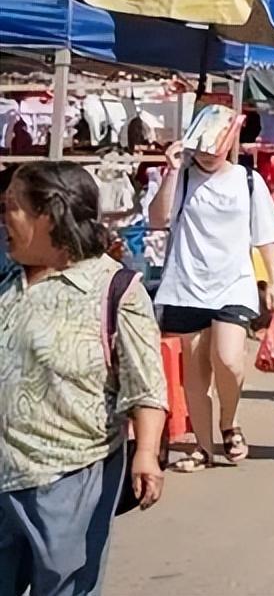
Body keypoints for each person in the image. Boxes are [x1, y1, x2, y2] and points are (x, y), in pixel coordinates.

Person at [1, 161, 168, 595]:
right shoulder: (7, 281)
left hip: (69, 476)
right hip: (2, 474)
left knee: (64, 588)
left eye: (12, 207)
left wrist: (146, 453)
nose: (4, 218)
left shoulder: (113, 289)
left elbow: (145, 384)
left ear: (49, 216)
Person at [149, 105, 274, 472]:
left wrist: (273, 281)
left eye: (215, 146)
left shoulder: (248, 180)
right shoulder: (184, 178)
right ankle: (204, 448)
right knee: (194, 373)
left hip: (234, 284)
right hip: (186, 283)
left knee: (228, 359)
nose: (208, 154)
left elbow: (266, 235)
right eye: (202, 147)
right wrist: (173, 170)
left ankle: (230, 419)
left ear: (229, 142)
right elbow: (158, 219)